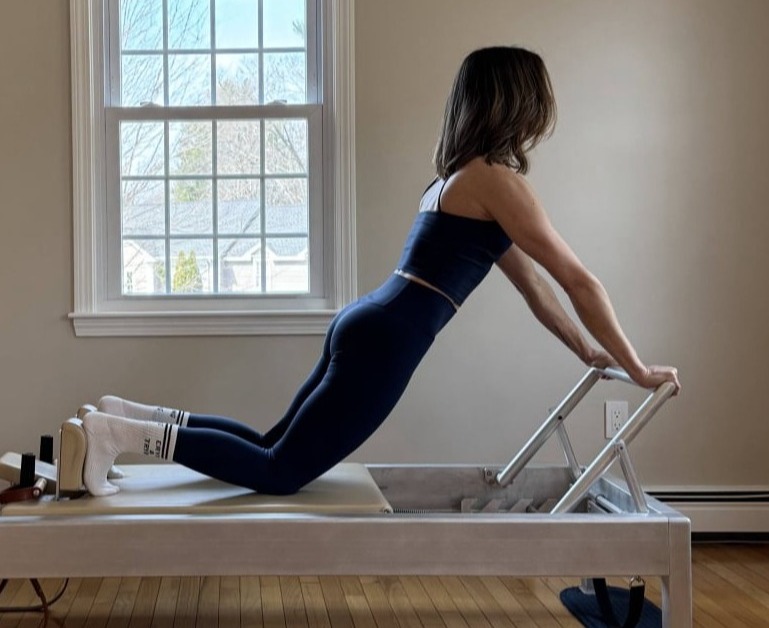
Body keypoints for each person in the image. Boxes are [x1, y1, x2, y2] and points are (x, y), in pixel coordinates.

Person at [81, 46, 681, 497]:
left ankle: (129, 416)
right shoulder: (497, 182)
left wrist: (587, 350)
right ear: (520, 103)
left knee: (271, 445)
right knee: (280, 471)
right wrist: (637, 367)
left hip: (370, 321)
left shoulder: (456, 181)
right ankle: (118, 436)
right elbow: (579, 280)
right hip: (388, 338)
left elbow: (537, 289)